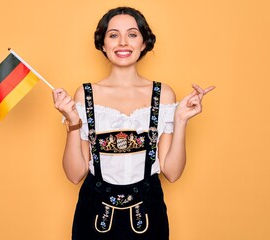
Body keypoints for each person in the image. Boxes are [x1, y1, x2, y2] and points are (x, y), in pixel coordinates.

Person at [52, 6, 215, 240]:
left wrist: (180, 120)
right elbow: (75, 174)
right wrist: (73, 122)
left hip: (149, 217)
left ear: (144, 42)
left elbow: (172, 172)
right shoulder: (84, 95)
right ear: (103, 43)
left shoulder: (163, 95)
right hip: (94, 217)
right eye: (113, 35)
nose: (122, 43)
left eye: (132, 34)